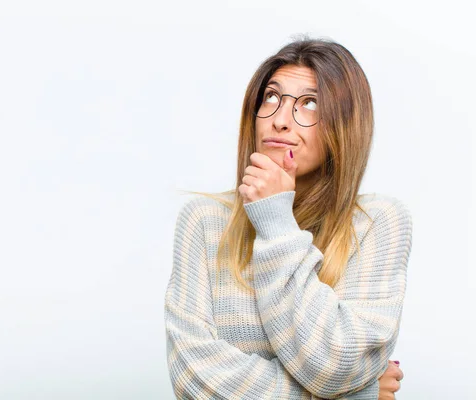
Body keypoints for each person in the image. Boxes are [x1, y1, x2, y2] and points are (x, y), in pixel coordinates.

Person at [164, 37, 411, 399]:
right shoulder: (204, 220)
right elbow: (194, 378)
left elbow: (336, 363)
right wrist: (356, 395)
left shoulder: (378, 222)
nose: (279, 120)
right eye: (272, 98)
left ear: (344, 126)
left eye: (310, 104)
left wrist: (276, 221)